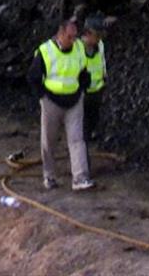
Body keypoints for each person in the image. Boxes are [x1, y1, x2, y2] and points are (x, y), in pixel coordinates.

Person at [34, 14, 93, 191]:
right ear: (60, 34)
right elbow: (33, 77)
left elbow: (84, 71)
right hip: (51, 101)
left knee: (77, 140)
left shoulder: (79, 48)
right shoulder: (45, 51)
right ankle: (49, 176)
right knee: (49, 141)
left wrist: (82, 90)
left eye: (75, 37)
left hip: (74, 101)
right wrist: (43, 97)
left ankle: (80, 177)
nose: (73, 40)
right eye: (69, 37)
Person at [80, 12, 109, 144]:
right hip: (82, 92)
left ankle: (88, 135)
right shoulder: (77, 48)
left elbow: (101, 61)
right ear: (88, 33)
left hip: (97, 89)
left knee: (93, 117)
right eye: (97, 35)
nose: (99, 39)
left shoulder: (100, 45)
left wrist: (104, 76)